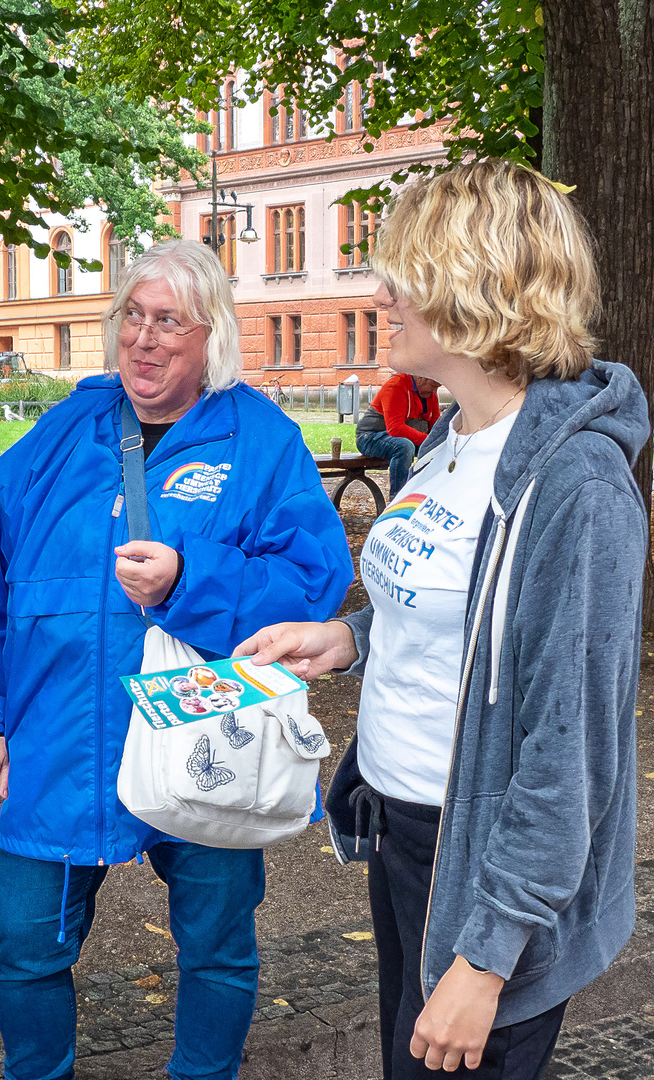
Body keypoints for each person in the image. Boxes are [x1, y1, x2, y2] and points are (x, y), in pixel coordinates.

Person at [237, 161, 646, 1080]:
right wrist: (348, 638)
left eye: (403, 272)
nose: (380, 292)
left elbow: (566, 750)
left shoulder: (577, 488)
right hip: (405, 832)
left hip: (485, 871)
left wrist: (485, 958)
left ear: (475, 286)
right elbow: (453, 614)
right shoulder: (444, 442)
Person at [0, 240, 353, 1080]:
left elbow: (313, 583)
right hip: (62, 733)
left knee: (217, 943)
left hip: (205, 728)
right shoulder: (57, 438)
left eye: (169, 321)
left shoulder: (261, 442)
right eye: (133, 315)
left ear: (210, 338)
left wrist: (191, 577)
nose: (145, 337)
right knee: (22, 943)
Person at [357, 371, 442, 496]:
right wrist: (428, 440)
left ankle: (431, 495)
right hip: (369, 436)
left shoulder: (430, 395)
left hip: (399, 437)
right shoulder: (395, 386)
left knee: (439, 449)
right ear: (421, 378)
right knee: (404, 446)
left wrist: (438, 443)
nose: (435, 391)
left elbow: (436, 427)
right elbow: (395, 428)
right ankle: (398, 496)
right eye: (433, 386)